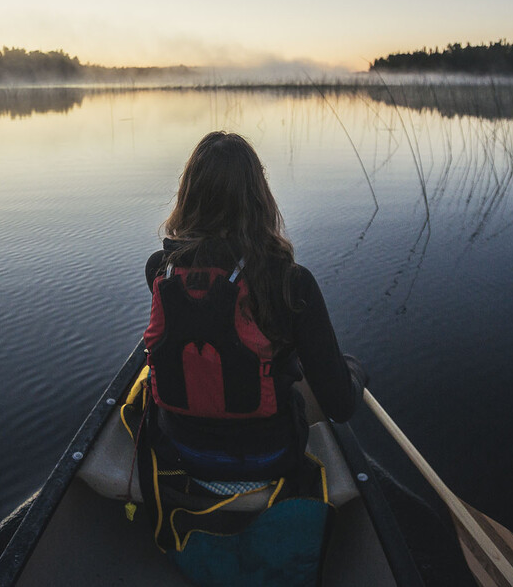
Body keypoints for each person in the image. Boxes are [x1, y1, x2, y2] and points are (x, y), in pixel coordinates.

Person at [142, 131, 367, 483]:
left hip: (177, 456)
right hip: (269, 460)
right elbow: (340, 407)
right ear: (259, 197)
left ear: (188, 195)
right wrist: (354, 372)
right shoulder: (292, 282)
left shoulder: (160, 268)